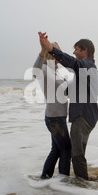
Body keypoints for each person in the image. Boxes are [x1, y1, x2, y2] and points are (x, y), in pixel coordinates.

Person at [38, 31, 98, 180]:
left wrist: (52, 49)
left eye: (76, 49)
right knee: (65, 151)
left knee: (73, 154)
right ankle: (63, 180)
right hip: (68, 117)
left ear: (84, 50)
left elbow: (72, 64)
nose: (73, 52)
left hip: (81, 117)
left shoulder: (85, 66)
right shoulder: (49, 70)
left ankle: (79, 184)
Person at [33, 41, 71, 179]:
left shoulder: (56, 72)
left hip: (59, 118)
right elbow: (35, 72)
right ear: (52, 54)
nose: (60, 55)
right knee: (66, 150)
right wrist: (42, 50)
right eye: (57, 51)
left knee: (56, 150)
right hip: (54, 119)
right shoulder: (45, 69)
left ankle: (45, 178)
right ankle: (63, 182)